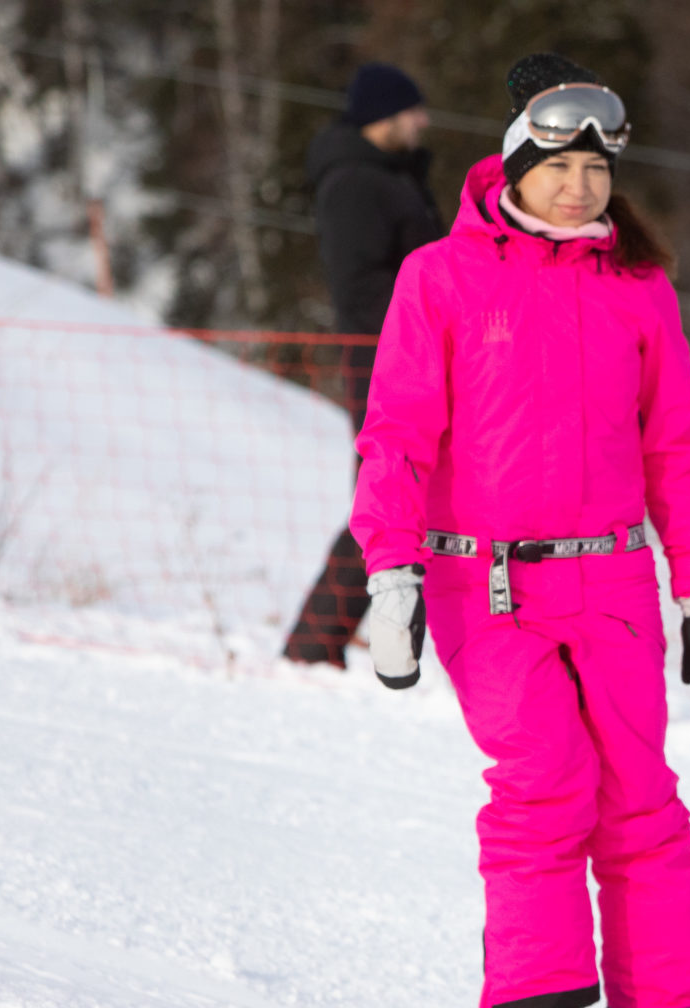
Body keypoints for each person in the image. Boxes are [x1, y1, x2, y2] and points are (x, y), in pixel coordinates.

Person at [351, 53, 690, 1008]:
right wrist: (391, 574)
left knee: (644, 802)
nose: (578, 187)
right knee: (544, 786)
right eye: (558, 166)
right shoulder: (441, 275)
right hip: (491, 585)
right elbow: (397, 434)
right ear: (515, 164)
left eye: (596, 171)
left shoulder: (637, 286)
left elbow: (677, 445)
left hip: (612, 579)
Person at [283, 62, 444, 667]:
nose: (423, 122)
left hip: (415, 353)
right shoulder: (354, 182)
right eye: (413, 111)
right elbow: (359, 287)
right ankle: (310, 647)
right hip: (385, 359)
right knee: (381, 502)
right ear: (385, 116)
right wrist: (430, 317)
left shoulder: (391, 177)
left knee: (410, 500)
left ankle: (320, 644)